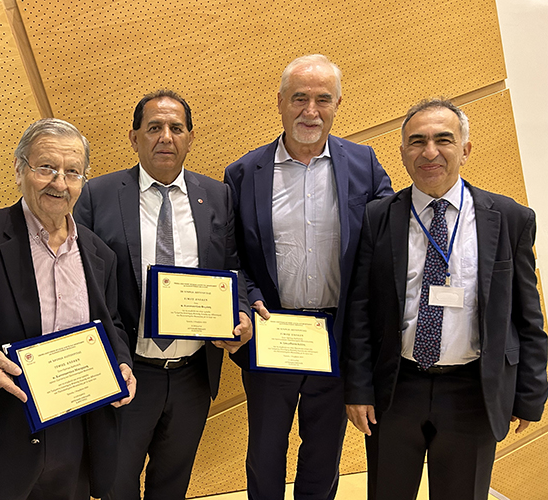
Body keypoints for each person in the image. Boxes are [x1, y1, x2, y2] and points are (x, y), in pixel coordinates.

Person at [344, 98, 548, 499]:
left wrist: (530, 393)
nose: (430, 152)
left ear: (465, 149)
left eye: (443, 139)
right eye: (417, 141)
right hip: (395, 389)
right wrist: (358, 389)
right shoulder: (378, 217)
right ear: (403, 152)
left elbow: (529, 315)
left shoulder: (510, 218)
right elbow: (361, 313)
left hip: (473, 391)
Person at [0, 118, 136, 500]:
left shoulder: (100, 254)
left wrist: (122, 363)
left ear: (84, 180)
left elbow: (113, 324)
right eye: (46, 167)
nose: (59, 183)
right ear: (19, 169)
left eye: (72, 172)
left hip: (73, 439)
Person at [223, 54, 393, 500]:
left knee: (323, 452)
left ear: (338, 104)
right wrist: (248, 299)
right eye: (299, 98)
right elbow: (231, 254)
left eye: (323, 99)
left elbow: (387, 240)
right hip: (270, 333)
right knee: (265, 451)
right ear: (280, 102)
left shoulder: (364, 163)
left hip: (336, 336)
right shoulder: (243, 173)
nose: (311, 111)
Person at [74, 89, 252, 500]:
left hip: (193, 375)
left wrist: (239, 312)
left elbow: (232, 267)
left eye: (176, 128)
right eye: (154, 127)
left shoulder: (218, 195)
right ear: (134, 138)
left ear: (191, 137)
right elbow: (80, 282)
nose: (166, 137)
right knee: (116, 485)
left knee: (172, 485)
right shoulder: (97, 196)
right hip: (129, 373)